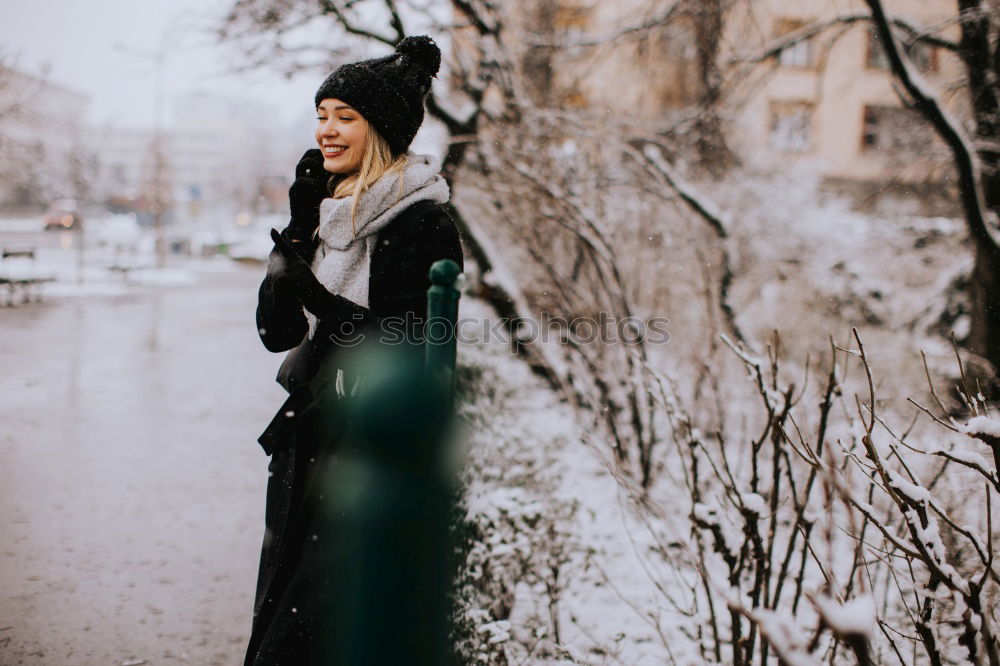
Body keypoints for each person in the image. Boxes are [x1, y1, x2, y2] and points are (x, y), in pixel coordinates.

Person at [246, 34, 464, 665]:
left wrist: (310, 285)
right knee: (284, 619)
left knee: (321, 632)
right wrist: (294, 231)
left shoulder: (420, 220)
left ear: (384, 128)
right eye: (321, 115)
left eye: (346, 117)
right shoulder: (325, 211)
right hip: (308, 437)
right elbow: (276, 335)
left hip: (369, 451)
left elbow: (403, 341)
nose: (327, 130)